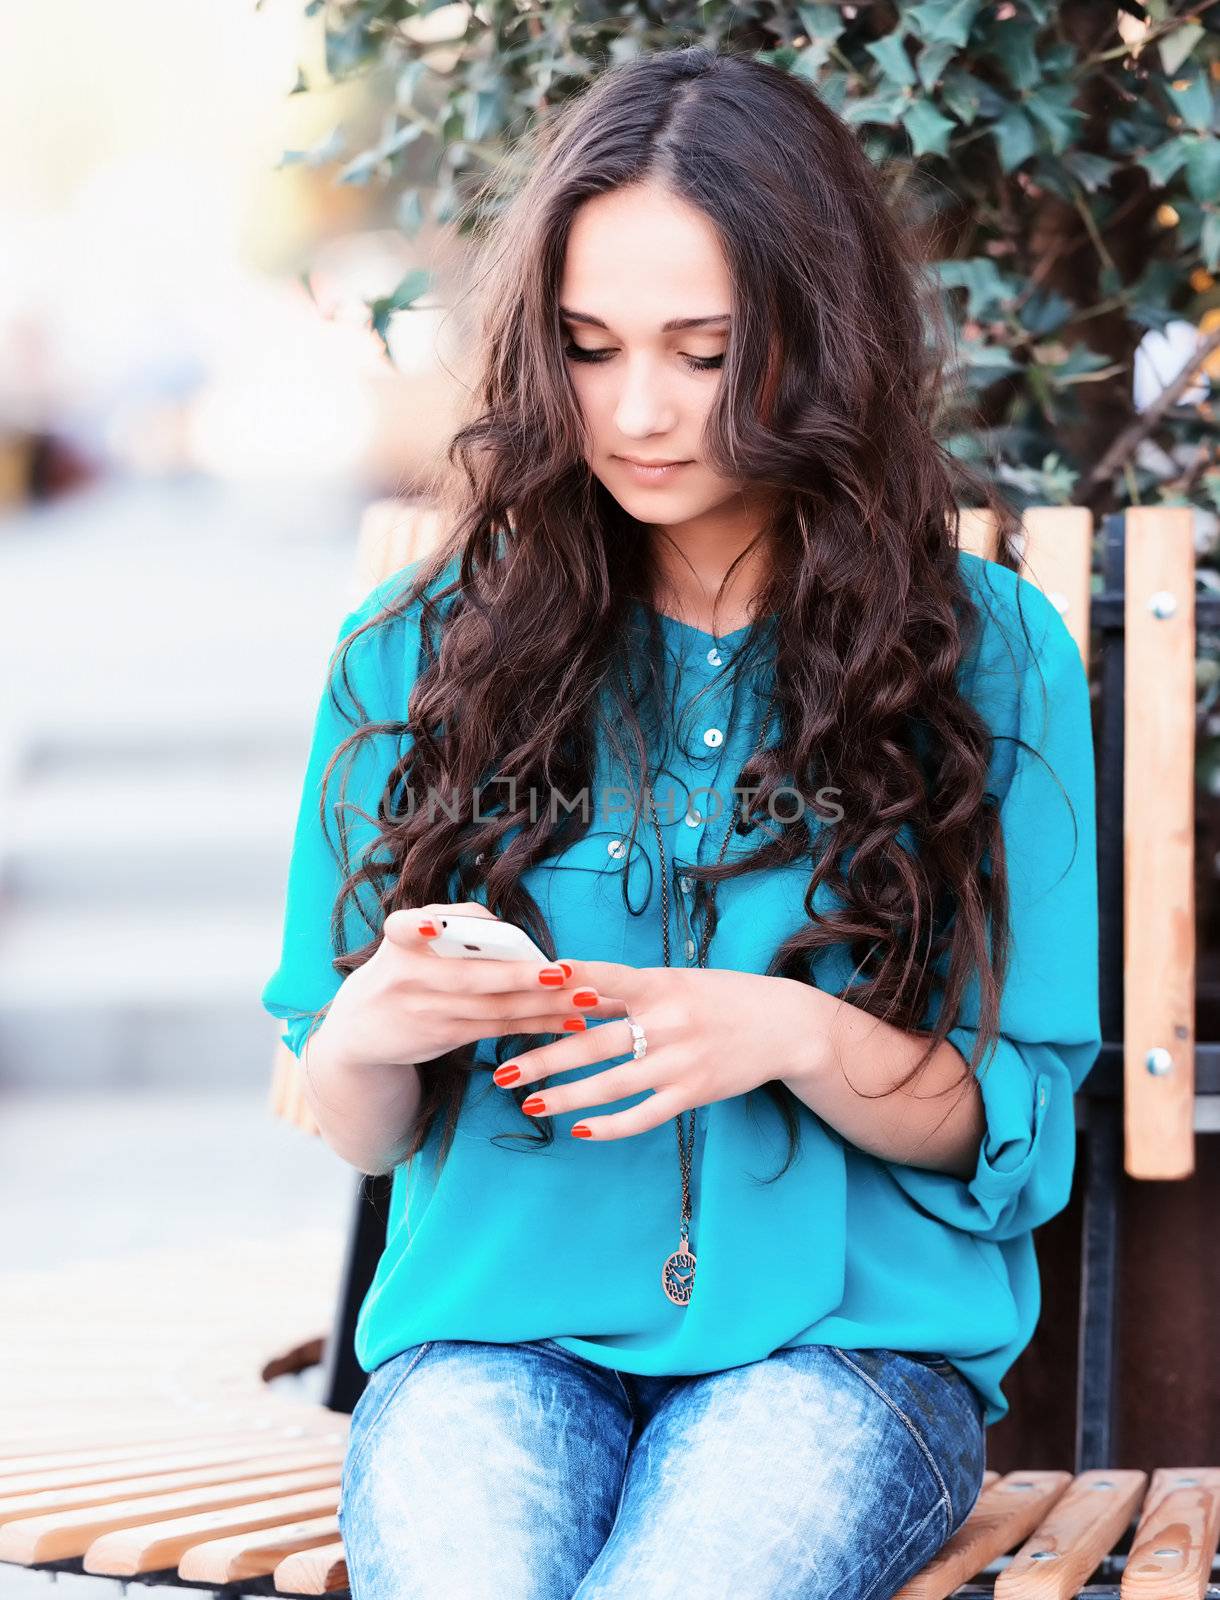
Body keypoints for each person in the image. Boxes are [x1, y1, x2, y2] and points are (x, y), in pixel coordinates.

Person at [261, 43, 1101, 1600]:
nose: (637, 411)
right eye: (587, 346)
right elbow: (360, 1123)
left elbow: (1013, 1129)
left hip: (845, 1360)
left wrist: (789, 1032)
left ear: (818, 339)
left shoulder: (988, 656)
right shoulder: (414, 650)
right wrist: (376, 1026)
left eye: (706, 351)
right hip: (487, 1346)